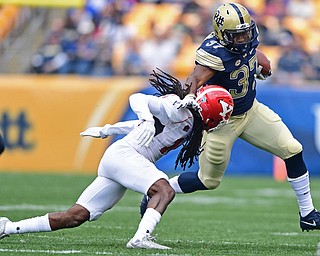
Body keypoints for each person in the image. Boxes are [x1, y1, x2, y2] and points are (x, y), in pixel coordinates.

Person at [0, 69, 234, 249]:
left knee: (76, 216)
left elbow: (141, 127)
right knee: (164, 190)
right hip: (126, 156)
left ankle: (7, 227)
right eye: (219, 118)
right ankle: (141, 237)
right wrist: (148, 120)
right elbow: (138, 99)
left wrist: (108, 129)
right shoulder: (178, 108)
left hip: (121, 157)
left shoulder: (190, 119)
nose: (219, 123)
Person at [141, 2, 320, 232]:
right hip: (222, 123)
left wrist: (259, 63)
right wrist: (189, 97)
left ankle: (307, 214)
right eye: (237, 35)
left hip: (250, 111)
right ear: (222, 34)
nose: (244, 38)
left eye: (246, 32)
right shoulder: (214, 52)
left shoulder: (244, 41)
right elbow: (194, 78)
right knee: (208, 181)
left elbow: (251, 53)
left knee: (292, 149)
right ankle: (161, 188)